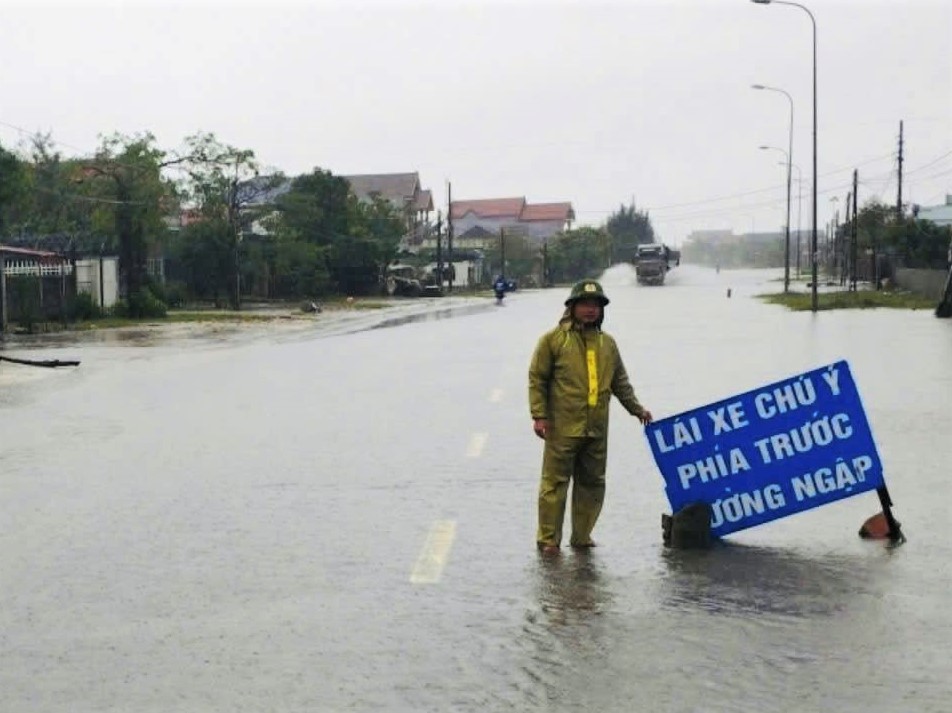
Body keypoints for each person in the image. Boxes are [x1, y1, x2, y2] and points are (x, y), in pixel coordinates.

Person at [527, 279, 653, 555]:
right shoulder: (552, 341)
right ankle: (548, 539)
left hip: (596, 428)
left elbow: (620, 382)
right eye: (584, 304)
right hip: (562, 427)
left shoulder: (608, 344)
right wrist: (539, 415)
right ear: (571, 307)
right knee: (555, 483)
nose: (590, 310)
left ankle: (582, 536)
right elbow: (538, 379)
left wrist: (637, 410)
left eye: (596, 305)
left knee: (592, 483)